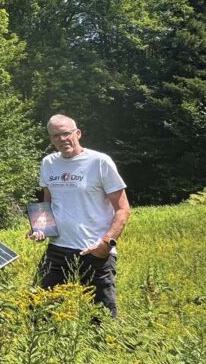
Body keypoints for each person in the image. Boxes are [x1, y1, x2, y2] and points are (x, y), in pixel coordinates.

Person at [26, 114, 131, 317]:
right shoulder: (48, 163)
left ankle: (106, 348)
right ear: (51, 139)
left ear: (78, 133)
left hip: (92, 251)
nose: (62, 139)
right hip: (57, 250)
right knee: (39, 311)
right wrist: (40, 228)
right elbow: (47, 202)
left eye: (66, 133)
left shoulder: (99, 162)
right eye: (55, 136)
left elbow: (123, 208)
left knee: (101, 317)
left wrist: (106, 244)